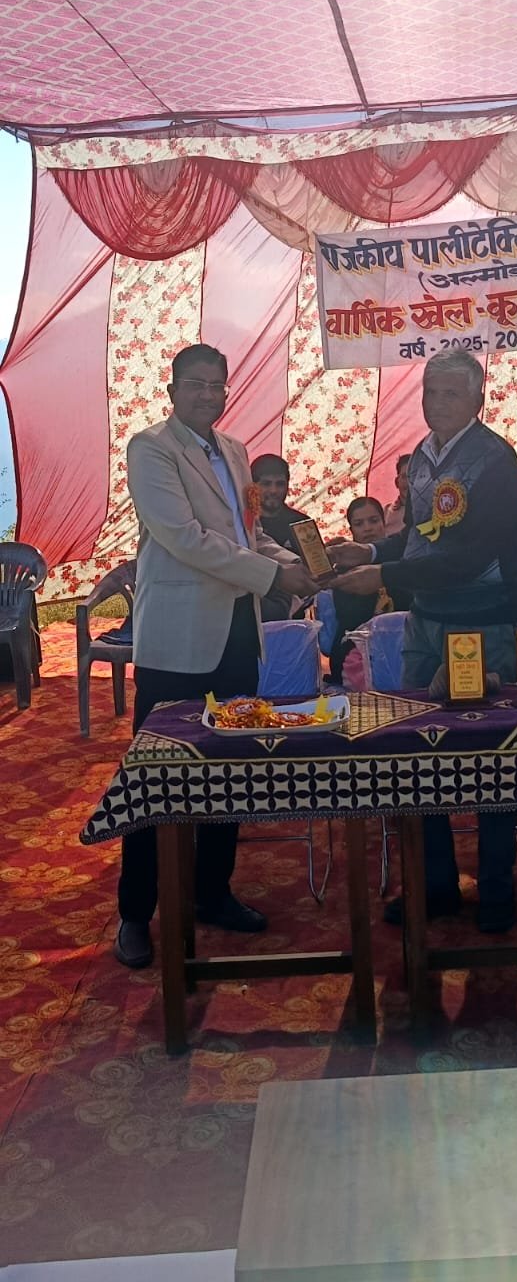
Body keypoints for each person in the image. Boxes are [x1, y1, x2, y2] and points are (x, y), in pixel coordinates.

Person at [116, 345, 319, 970]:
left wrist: (302, 562)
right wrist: (274, 576)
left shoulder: (234, 450)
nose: (208, 394)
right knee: (156, 774)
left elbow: (246, 535)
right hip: (178, 639)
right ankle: (135, 912)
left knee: (231, 767)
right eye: (196, 384)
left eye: (217, 385)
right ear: (173, 389)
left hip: (237, 632)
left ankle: (213, 891)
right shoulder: (151, 448)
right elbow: (184, 539)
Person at [330, 347, 517, 932]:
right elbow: (420, 537)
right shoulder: (421, 455)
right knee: (421, 751)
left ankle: (496, 890)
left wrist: (385, 576)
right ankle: (437, 883)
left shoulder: (497, 461)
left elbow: (473, 556)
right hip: (426, 621)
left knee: (491, 754)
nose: (436, 403)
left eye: (449, 393)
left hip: (483, 621)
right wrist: (369, 550)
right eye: (429, 392)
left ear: (477, 398)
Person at [317, 497, 393, 683]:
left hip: (395, 653)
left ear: (384, 523)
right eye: (359, 524)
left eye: (373, 521)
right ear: (351, 530)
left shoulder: (401, 565)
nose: (368, 528)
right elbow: (350, 618)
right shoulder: (343, 571)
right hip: (350, 657)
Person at [250, 454, 309, 621]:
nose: (273, 491)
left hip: (293, 619)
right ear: (253, 486)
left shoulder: (302, 524)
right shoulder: (243, 522)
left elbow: (317, 572)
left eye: (280, 484)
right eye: (266, 484)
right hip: (251, 614)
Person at [384, 454, 410, 534]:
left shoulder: (433, 511)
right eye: (404, 477)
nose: (409, 482)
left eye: (414, 476)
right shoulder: (385, 513)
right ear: (396, 482)